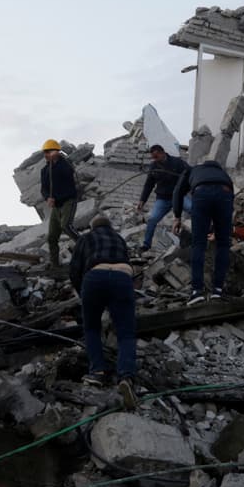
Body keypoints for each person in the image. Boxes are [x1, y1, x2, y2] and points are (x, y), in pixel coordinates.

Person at [69, 214, 137, 409]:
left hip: (95, 277)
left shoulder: (86, 238)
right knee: (126, 332)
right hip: (123, 277)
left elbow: (74, 269)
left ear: (92, 227)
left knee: (91, 328)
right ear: (110, 226)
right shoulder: (119, 238)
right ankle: (126, 377)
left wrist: (83, 292)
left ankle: (97, 372)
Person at [172, 160, 234, 306]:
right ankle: (218, 290)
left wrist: (177, 217)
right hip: (225, 194)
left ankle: (196, 292)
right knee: (223, 244)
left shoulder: (193, 169)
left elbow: (177, 192)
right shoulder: (223, 174)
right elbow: (230, 199)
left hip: (201, 193)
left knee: (198, 244)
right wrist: (216, 231)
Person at [136, 144, 190, 252]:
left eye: (156, 156)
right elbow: (148, 185)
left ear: (162, 153)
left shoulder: (177, 162)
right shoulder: (153, 166)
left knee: (194, 209)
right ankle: (146, 245)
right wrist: (142, 200)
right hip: (163, 199)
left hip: (179, 197)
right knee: (152, 219)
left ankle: (206, 232)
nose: (154, 159)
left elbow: (189, 174)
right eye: (153, 157)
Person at [40, 139, 81, 267]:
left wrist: (59, 159)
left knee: (66, 226)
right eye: (45, 152)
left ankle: (85, 245)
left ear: (57, 152)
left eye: (49, 151)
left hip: (68, 200)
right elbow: (44, 189)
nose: (47, 154)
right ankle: (54, 265)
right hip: (56, 206)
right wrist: (48, 198)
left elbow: (69, 172)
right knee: (51, 237)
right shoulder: (45, 170)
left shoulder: (65, 164)